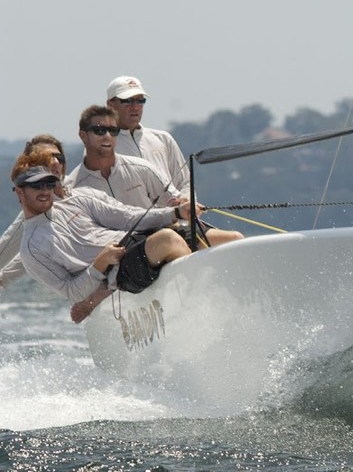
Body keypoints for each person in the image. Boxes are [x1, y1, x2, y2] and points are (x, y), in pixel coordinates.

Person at [12, 159, 197, 320]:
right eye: (37, 186)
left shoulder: (77, 201)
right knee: (168, 239)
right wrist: (100, 263)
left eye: (48, 184)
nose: (45, 191)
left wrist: (176, 213)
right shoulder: (30, 250)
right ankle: (199, 301)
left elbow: (128, 217)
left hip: (139, 242)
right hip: (120, 270)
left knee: (208, 235)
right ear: (20, 193)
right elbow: (72, 292)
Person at [66, 104, 242, 247]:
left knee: (235, 239)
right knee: (170, 242)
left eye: (113, 131)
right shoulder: (74, 186)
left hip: (164, 233)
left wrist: (184, 205)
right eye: (99, 130)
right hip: (121, 251)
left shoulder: (141, 168)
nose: (107, 136)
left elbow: (174, 200)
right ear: (83, 136)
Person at [0, 136, 70, 291]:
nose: (55, 162)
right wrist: (3, 279)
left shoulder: (78, 185)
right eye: (46, 158)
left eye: (59, 157)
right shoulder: (36, 209)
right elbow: (17, 248)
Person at [106, 75, 190, 196]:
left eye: (140, 100)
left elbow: (185, 183)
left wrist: (187, 206)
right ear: (110, 104)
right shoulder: (103, 146)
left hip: (174, 214)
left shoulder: (163, 139)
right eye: (128, 101)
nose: (135, 107)